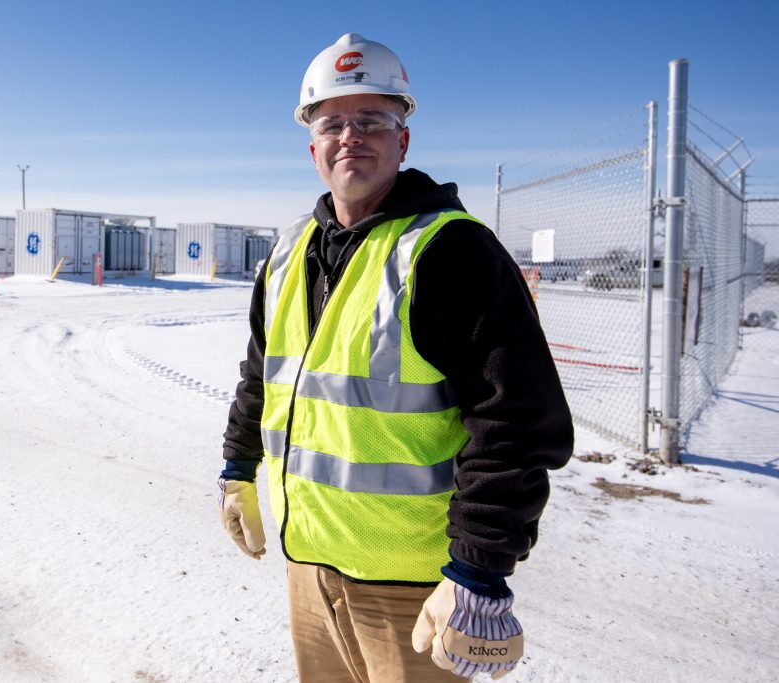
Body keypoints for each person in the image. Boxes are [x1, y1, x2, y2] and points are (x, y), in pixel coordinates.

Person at [218, 33, 573, 682]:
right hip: (310, 570)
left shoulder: (451, 253)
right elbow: (260, 373)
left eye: (372, 120)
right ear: (313, 148)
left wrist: (477, 569)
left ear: (403, 140)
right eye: (333, 123)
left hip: (413, 590)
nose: (351, 136)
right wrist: (238, 467)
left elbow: (519, 424)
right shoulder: (289, 252)